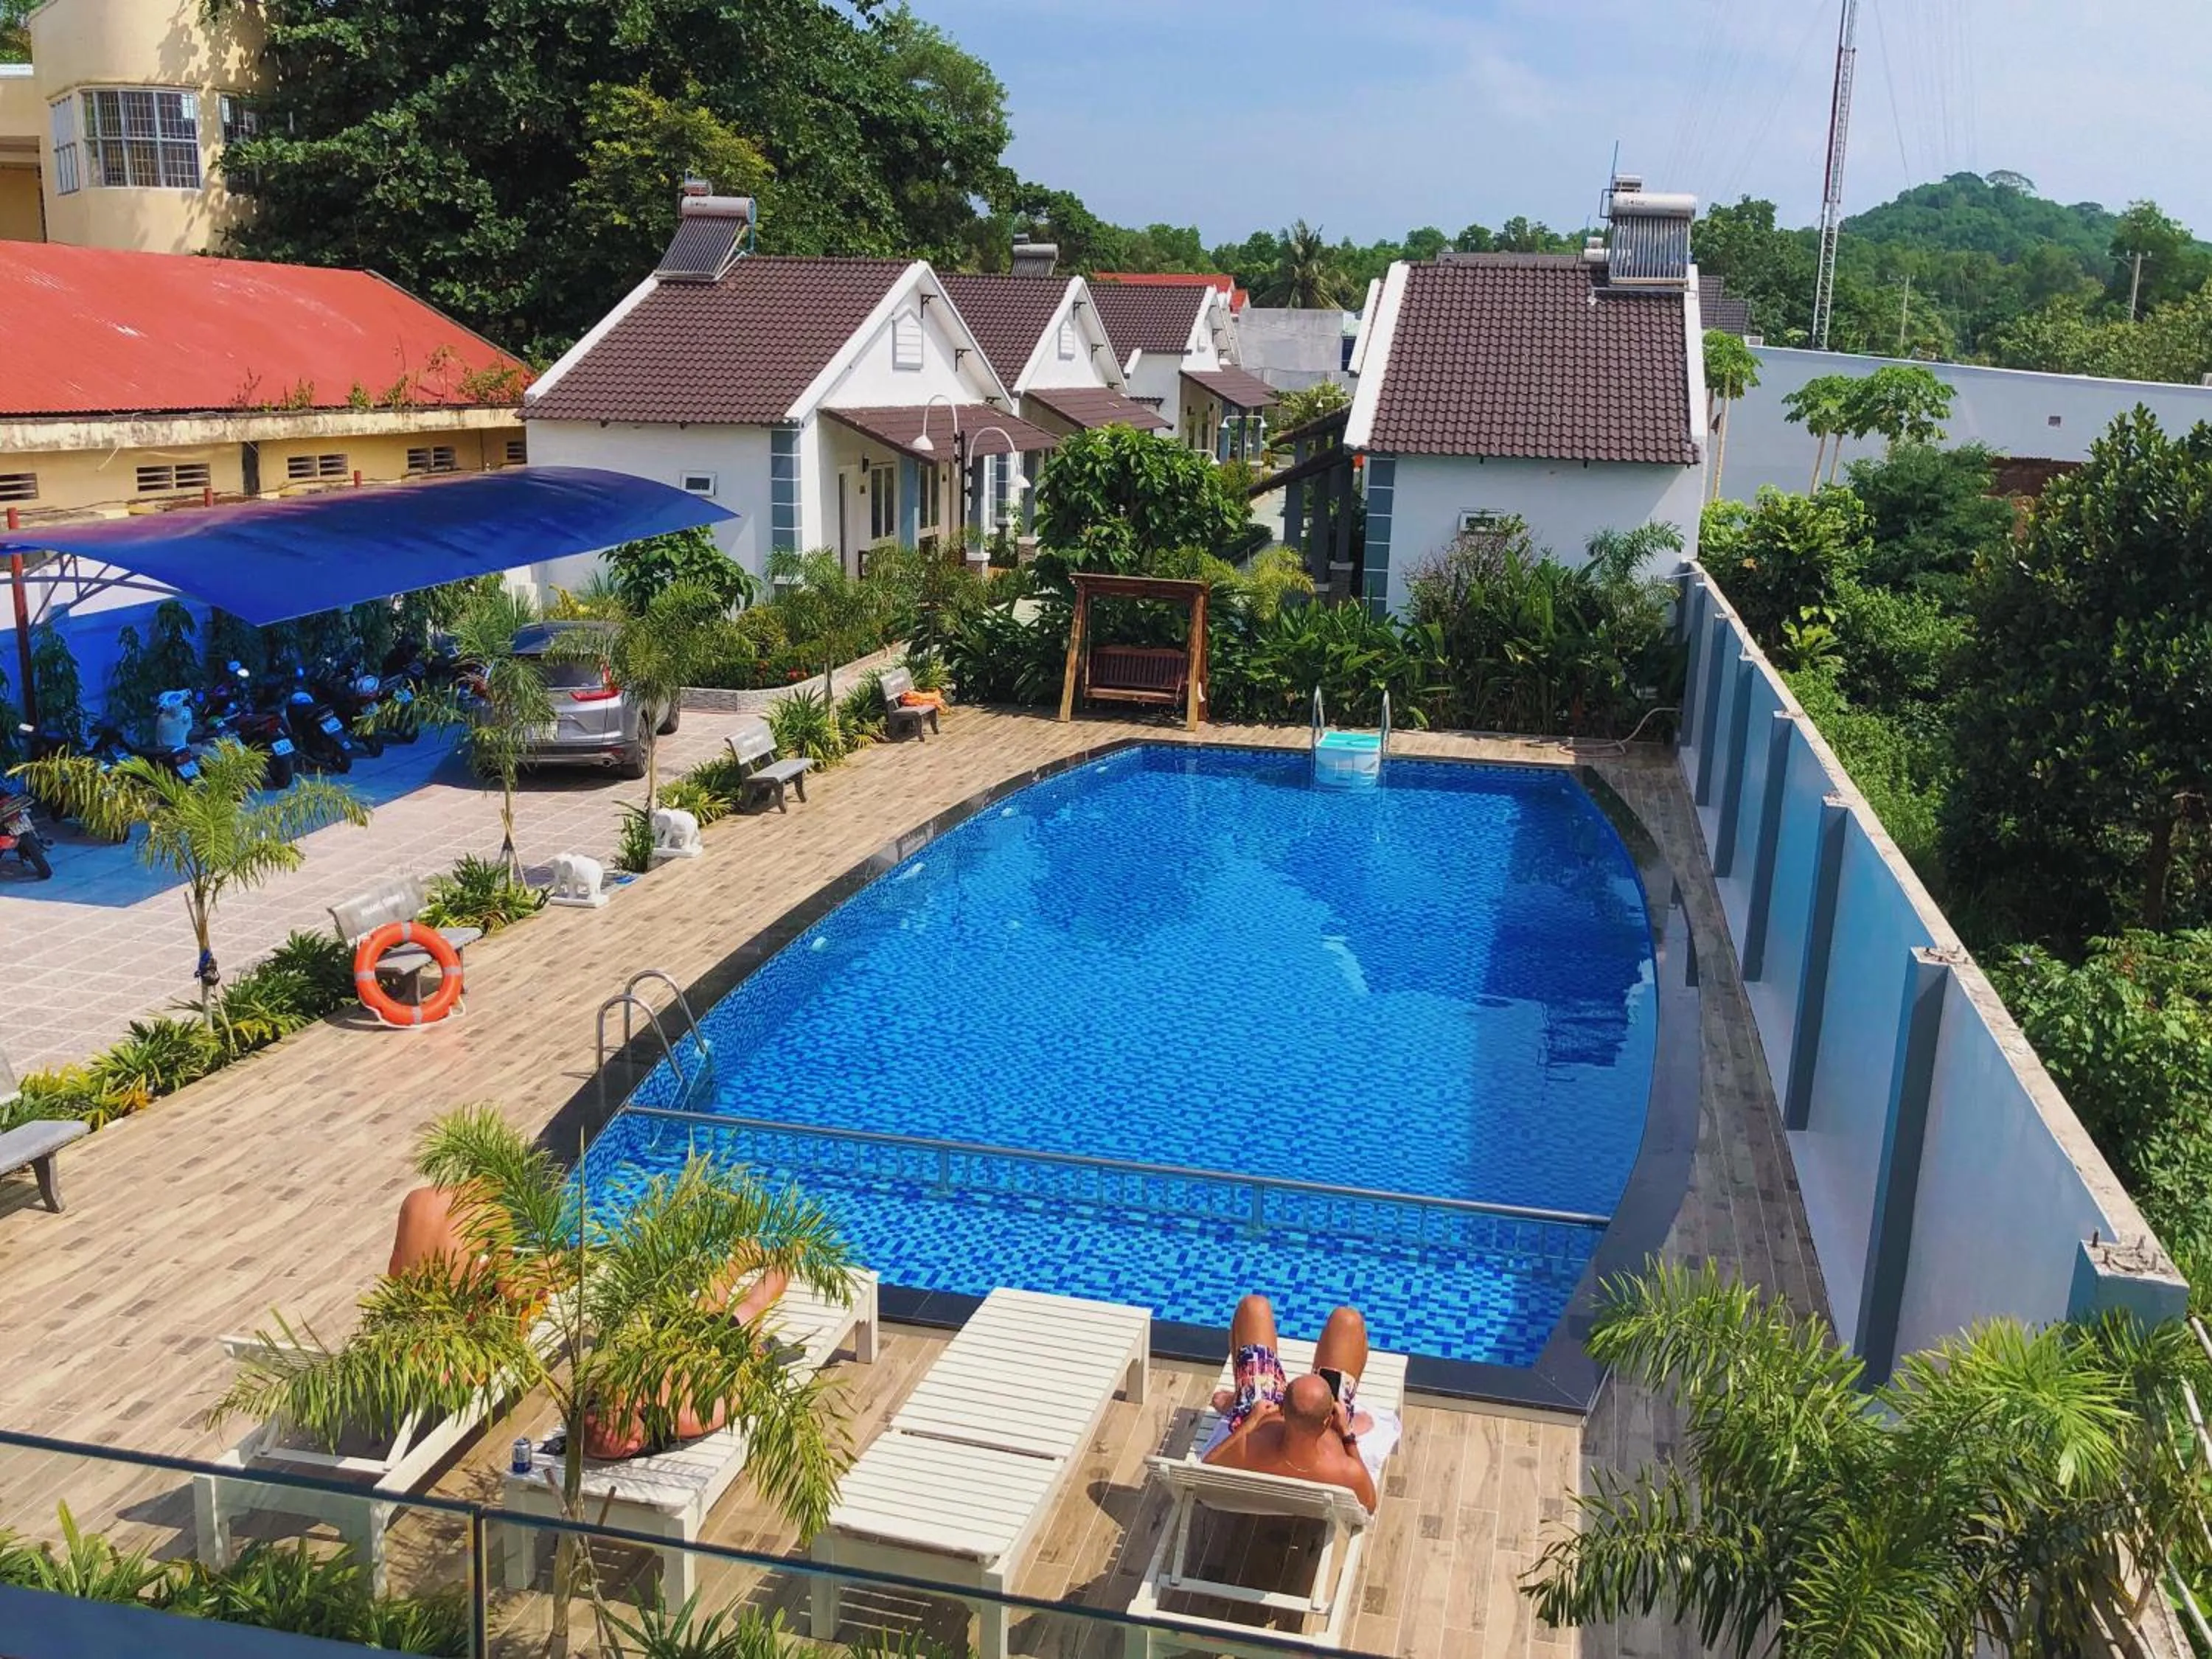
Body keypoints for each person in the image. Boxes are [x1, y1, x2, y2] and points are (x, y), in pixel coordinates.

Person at [1198, 1294, 1400, 1511]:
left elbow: (1207, 1468)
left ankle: (1237, 1403)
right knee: (1348, 1321)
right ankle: (1323, 1401)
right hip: (1330, 1432)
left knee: (1252, 1306)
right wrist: (1347, 1435)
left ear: (1283, 1407)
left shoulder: (1247, 1449)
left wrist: (1249, 1423)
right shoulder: (1343, 1471)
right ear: (1328, 1419)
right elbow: (1369, 1505)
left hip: (1258, 1410)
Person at [578, 1265, 792, 1458]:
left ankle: (745, 1257)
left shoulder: (611, 1392)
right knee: (751, 1306)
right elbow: (736, 1395)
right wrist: (753, 1360)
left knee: (713, 1295)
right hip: (717, 1352)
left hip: (677, 1339)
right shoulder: (685, 1419)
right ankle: (786, 1257)